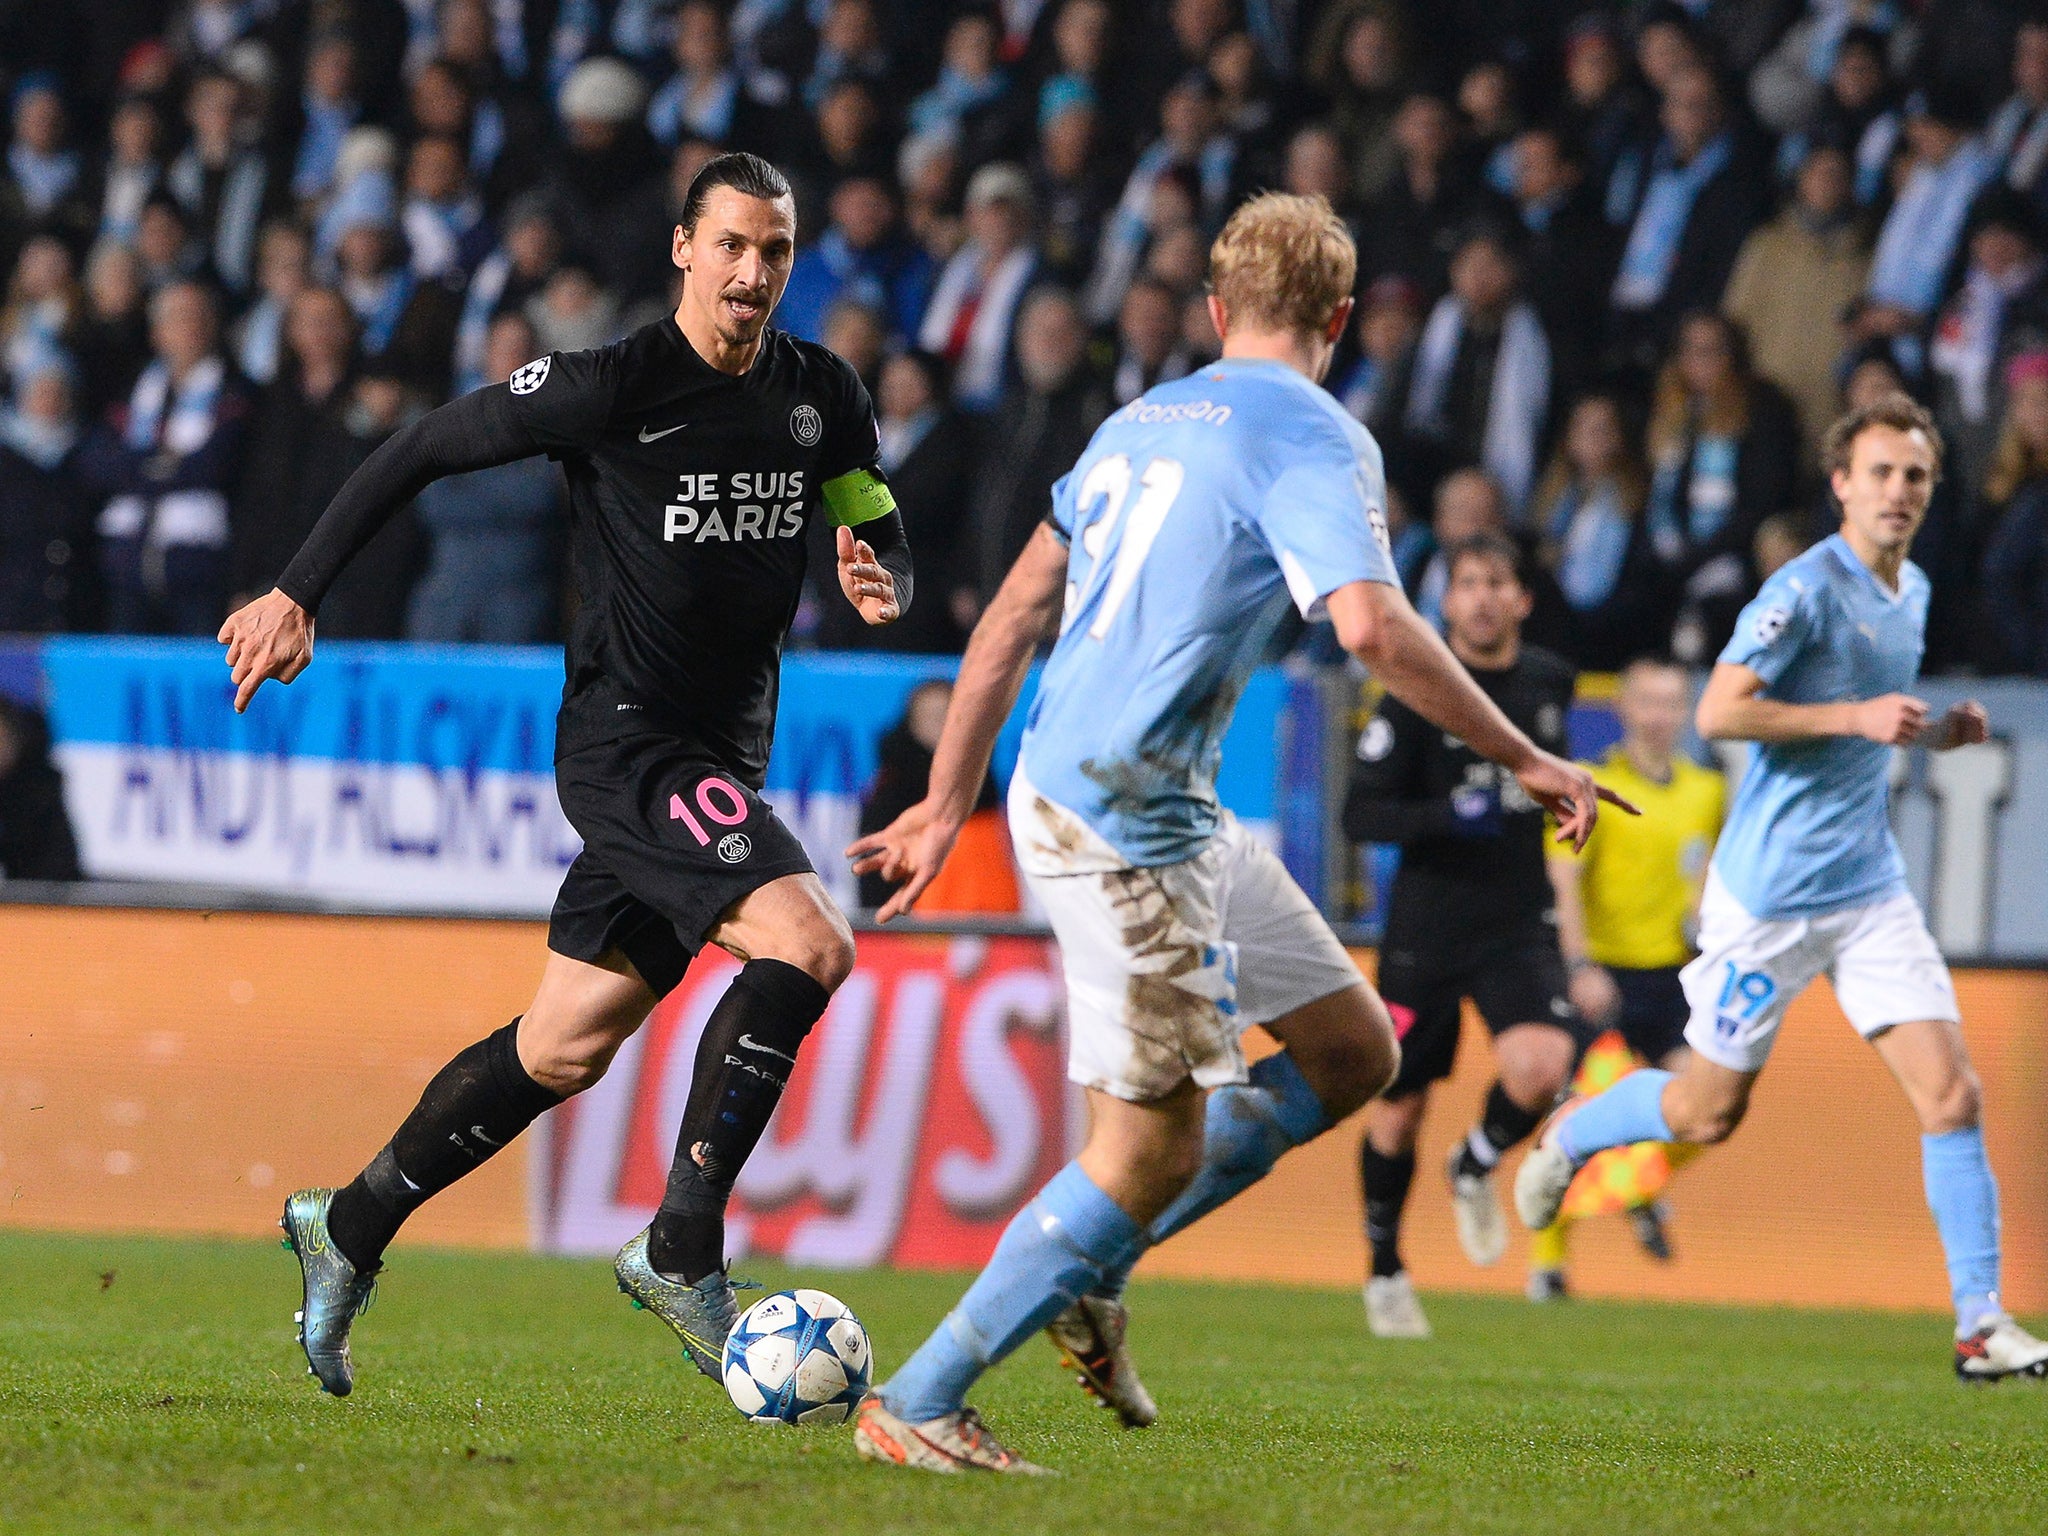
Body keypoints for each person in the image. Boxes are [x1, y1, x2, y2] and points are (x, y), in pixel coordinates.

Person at [846, 192, 1623, 1473]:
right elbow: (1368, 628)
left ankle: (1093, 1262)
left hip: (1122, 792)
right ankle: (919, 1399)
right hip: (1120, 818)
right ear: (1340, 319)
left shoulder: (1129, 422)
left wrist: (943, 797)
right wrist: (1525, 753)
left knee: (1348, 1050)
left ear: (1214, 313)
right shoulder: (1317, 436)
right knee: (1152, 1147)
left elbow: (1009, 619)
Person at [219, 153, 914, 1398]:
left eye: (775, 251)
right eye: (733, 247)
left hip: (723, 749)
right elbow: (423, 446)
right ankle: (678, 1250)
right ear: (683, 252)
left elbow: (868, 506)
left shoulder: (821, 397)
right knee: (810, 945)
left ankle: (347, 1226)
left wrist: (883, 573)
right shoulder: (612, 386)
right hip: (630, 743)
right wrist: (293, 591)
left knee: (560, 1048)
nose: (753, 272)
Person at [1517, 394, 2048, 1383]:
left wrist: (1937, 732)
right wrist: (1849, 716)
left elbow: (1872, 723)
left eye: (1914, 476)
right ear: (1839, 483)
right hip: (1764, 903)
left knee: (1951, 1095)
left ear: (1929, 492)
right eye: (1879, 472)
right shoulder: (1799, 590)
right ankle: (1576, 1132)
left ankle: (1978, 1325)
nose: (1896, 491)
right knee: (1706, 1113)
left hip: (1866, 891)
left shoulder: (1914, 590)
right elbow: (1720, 710)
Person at [1344, 531, 1583, 1339]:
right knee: (1399, 1108)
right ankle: (1384, 1271)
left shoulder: (1550, 682)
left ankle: (1475, 1161)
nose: (1481, 597)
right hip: (1428, 928)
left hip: (1516, 917)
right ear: (1444, 604)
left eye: (1496, 582)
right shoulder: (1415, 687)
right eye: (1467, 583)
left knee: (1545, 1064)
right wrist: (1450, 813)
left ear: (1522, 599)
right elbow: (1360, 811)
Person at [1533, 657, 1726, 1300]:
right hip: (1604, 974)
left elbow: (1705, 874)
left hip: (1672, 974)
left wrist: (1705, 924)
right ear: (1623, 709)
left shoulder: (1705, 790)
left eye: (1673, 703)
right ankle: (1548, 1263)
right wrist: (1580, 964)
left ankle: (1643, 1186)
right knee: (1574, 1113)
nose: (1661, 716)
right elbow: (1565, 879)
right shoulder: (1591, 785)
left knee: (1704, 1108)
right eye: (1648, 702)